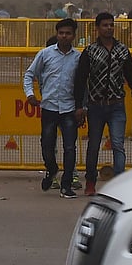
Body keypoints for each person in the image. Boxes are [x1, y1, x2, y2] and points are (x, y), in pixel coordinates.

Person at [74, 12, 132, 195]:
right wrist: (79, 105)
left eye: (111, 25)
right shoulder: (90, 51)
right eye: (105, 25)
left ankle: (119, 186)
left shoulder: (122, 51)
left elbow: (131, 77)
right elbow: (81, 79)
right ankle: (90, 182)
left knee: (118, 145)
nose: (109, 28)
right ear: (97, 28)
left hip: (117, 105)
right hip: (95, 106)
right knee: (93, 145)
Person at [23, 18, 82, 198]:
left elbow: (83, 85)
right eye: (61, 33)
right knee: (47, 144)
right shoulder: (45, 54)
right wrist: (30, 95)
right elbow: (29, 74)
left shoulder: (79, 57)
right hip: (48, 106)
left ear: (73, 36)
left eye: (68, 33)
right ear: (57, 34)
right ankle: (51, 169)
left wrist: (83, 107)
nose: (64, 36)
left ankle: (66, 185)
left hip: (69, 108)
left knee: (70, 147)